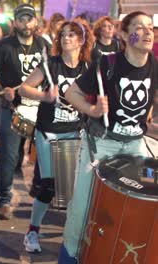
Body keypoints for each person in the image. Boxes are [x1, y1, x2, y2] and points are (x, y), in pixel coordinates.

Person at [58, 11, 157, 263]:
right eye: (139, 27)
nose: (147, 32)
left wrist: (148, 111)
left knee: (138, 208)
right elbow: (71, 93)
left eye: (150, 27)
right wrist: (92, 110)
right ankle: (69, 257)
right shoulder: (108, 63)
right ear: (124, 34)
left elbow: (150, 94)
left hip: (135, 145)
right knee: (81, 210)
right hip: (101, 144)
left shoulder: (154, 64)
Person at [19, 20, 93, 253]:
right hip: (48, 132)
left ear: (81, 41)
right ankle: (32, 231)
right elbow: (23, 88)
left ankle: (71, 234)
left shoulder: (88, 68)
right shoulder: (51, 64)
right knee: (49, 184)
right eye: (63, 35)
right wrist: (45, 96)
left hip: (74, 132)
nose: (66, 39)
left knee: (70, 189)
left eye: (72, 35)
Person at [0, 3, 46, 220]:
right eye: (21, 19)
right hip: (12, 108)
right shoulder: (3, 46)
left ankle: (40, 190)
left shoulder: (44, 45)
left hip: (39, 107)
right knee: (8, 156)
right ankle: (4, 200)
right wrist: (2, 92)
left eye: (30, 19)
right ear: (15, 22)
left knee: (44, 152)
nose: (26, 23)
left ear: (36, 21)